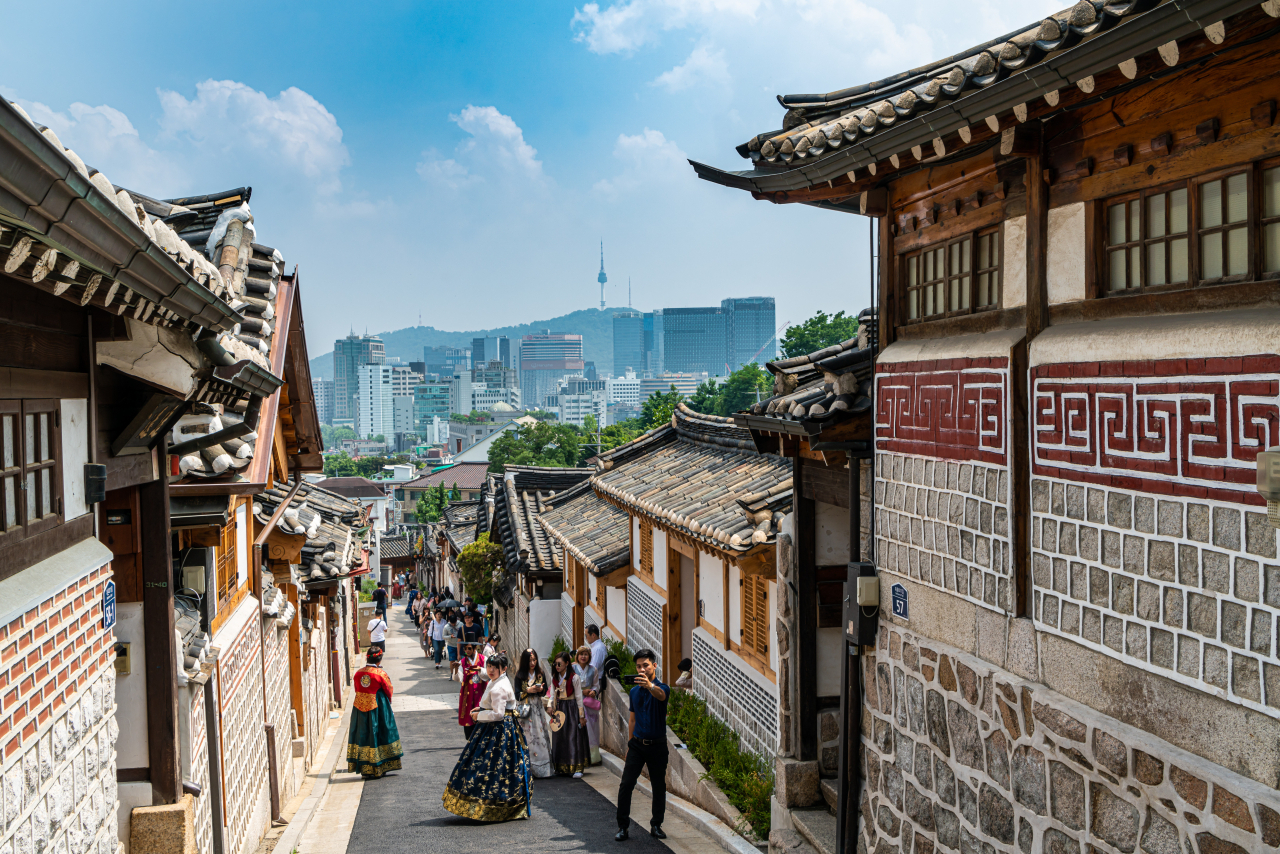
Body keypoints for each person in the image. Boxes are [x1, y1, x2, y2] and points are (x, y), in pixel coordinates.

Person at [442, 652, 531, 821]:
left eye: (494, 667)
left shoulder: (499, 687)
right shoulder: (497, 681)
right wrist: (481, 710)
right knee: (496, 768)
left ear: (503, 669)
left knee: (489, 768)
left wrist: (478, 716)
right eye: (489, 666)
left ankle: (491, 807)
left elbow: (498, 714)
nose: (490, 670)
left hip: (498, 731)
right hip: (495, 728)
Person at [615, 648, 669, 841]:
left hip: (657, 745)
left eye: (645, 665)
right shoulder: (634, 692)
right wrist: (629, 744)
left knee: (658, 786)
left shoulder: (662, 688)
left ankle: (656, 825)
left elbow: (662, 696)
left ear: (654, 665)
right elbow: (632, 720)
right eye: (638, 666)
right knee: (626, 785)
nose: (642, 669)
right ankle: (623, 827)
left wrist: (650, 686)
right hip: (637, 745)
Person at [346, 647, 403, 779]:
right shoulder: (380, 674)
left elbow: (356, 688)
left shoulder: (358, 673)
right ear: (379, 660)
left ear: (367, 657)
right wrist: (388, 704)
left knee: (363, 734)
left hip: (359, 708)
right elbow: (389, 690)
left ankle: (365, 767)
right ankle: (380, 766)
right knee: (379, 732)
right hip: (378, 707)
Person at [513, 648, 554, 779]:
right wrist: (528, 691)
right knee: (526, 736)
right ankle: (526, 767)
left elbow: (545, 691)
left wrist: (540, 690)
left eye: (534, 660)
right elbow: (517, 695)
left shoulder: (540, 673)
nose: (532, 662)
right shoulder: (519, 676)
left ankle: (542, 766)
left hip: (537, 707)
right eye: (530, 660)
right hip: (525, 708)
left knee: (539, 734)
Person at [548, 651, 590, 778]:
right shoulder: (554, 678)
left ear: (567, 663)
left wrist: (581, 716)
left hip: (571, 708)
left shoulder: (574, 678)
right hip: (560, 708)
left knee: (573, 737)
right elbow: (552, 694)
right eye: (555, 664)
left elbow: (579, 697)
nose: (557, 666)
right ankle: (561, 766)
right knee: (559, 736)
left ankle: (577, 767)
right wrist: (550, 706)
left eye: (559, 663)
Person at [574, 645, 602, 766]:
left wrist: (594, 691)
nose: (583, 657)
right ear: (577, 656)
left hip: (589, 701)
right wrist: (581, 692)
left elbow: (596, 684)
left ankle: (593, 756)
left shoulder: (593, 669)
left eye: (586, 654)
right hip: (576, 701)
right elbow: (569, 686)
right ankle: (578, 756)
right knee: (578, 728)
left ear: (589, 656)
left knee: (592, 728)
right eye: (581, 654)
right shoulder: (572, 668)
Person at [457, 642, 487, 739]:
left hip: (481, 691)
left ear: (475, 648)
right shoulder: (463, 661)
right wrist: (455, 670)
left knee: (481, 713)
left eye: (469, 648)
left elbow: (488, 675)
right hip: (467, 693)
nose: (467, 651)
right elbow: (459, 678)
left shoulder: (483, 659)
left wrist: (480, 670)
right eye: (465, 649)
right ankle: (470, 738)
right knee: (468, 714)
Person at [444, 614, 461, 679]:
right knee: (452, 660)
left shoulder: (461, 624)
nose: (453, 624)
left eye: (454, 623)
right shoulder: (446, 627)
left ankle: (458, 674)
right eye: (452, 623)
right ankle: (452, 674)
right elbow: (443, 636)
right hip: (451, 645)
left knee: (459, 660)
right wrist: (449, 637)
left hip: (459, 645)